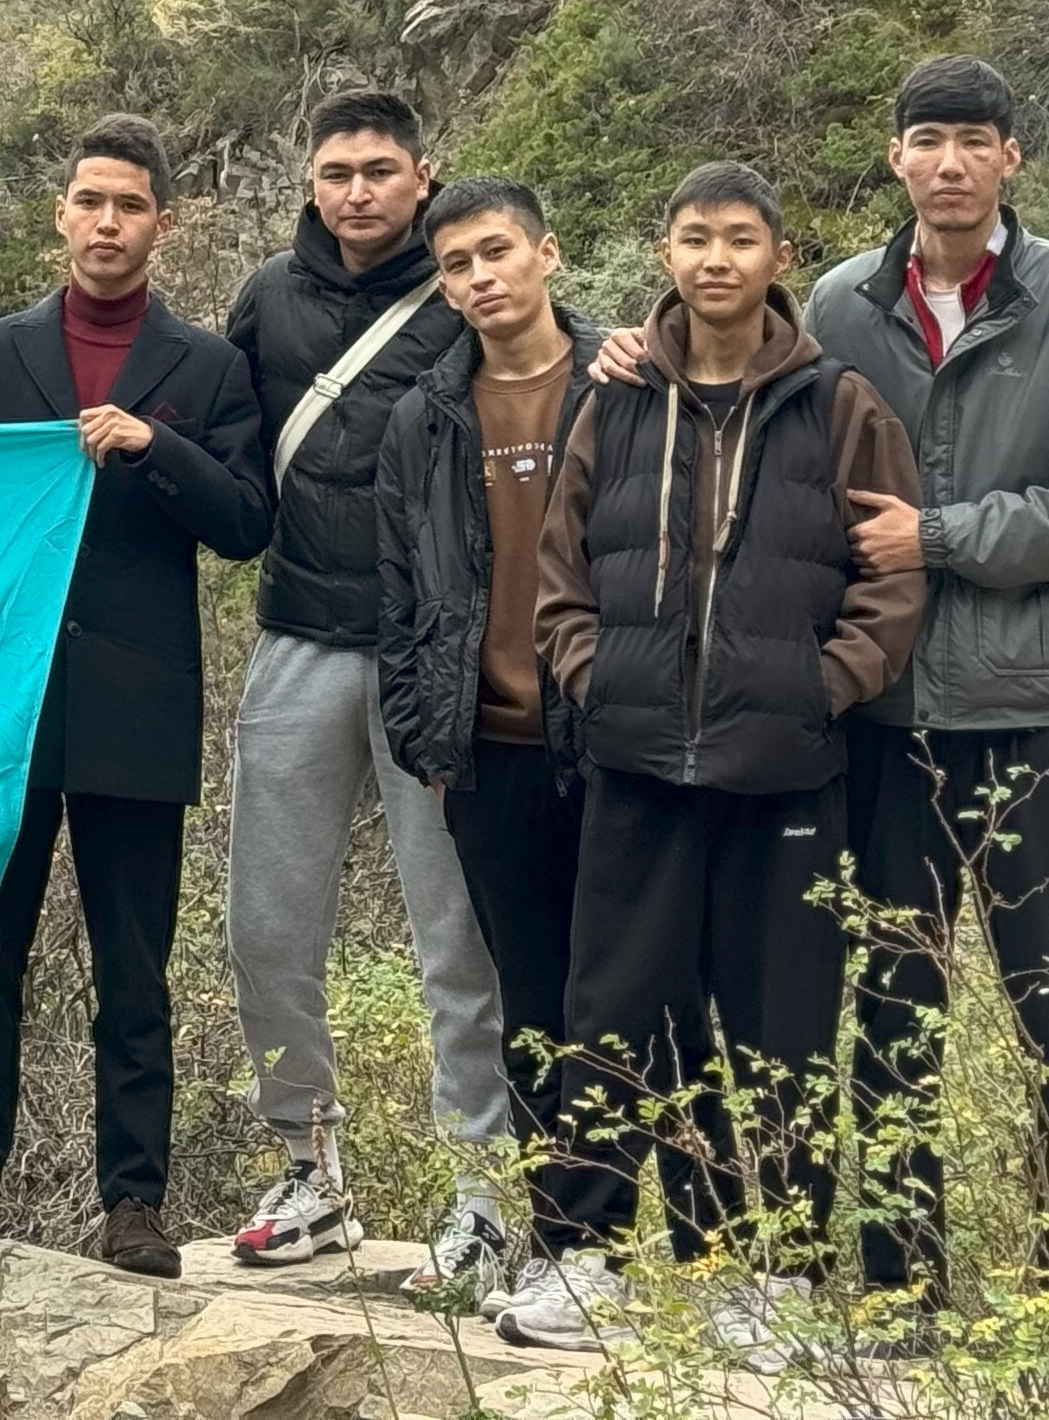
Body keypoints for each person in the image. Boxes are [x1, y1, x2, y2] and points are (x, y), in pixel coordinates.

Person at [500, 164, 924, 1355]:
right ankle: (584, 1264)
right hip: (636, 761)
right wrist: (594, 672)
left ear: (779, 258)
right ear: (666, 253)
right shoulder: (619, 396)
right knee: (609, 1014)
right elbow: (562, 563)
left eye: (741, 239)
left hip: (782, 773)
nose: (718, 259)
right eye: (695, 238)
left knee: (781, 1024)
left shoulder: (839, 403)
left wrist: (820, 688)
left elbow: (892, 581)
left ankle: (779, 1278)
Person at [0, 116, 269, 1280]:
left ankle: (134, 1201)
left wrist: (158, 448)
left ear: (163, 224)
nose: (107, 223)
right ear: (61, 214)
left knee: (132, 962)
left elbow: (246, 523)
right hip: (7, 694)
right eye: (89, 201)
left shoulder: (205, 368)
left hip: (138, 702)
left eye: (130, 206)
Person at [806, 58, 1049, 1304]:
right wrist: (637, 351)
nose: (948, 161)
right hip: (889, 720)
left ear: (1011, 158)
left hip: (1037, 715)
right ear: (894, 157)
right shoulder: (842, 306)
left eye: (972, 140)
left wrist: (941, 535)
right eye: (926, 139)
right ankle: (902, 1290)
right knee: (893, 1014)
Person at [217, 91, 507, 1289]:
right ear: (309, 179)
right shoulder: (267, 302)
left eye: (381, 170)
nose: (357, 192)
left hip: (435, 650)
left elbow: (564, 358)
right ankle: (309, 1169)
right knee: (268, 923)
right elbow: (214, 433)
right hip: (299, 638)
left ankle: (487, 1194)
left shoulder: (466, 285)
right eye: (336, 172)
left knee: (456, 932)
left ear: (422, 173)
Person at [373, 178, 617, 1331]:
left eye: (497, 252)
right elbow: (401, 589)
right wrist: (425, 730)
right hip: (490, 746)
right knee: (527, 999)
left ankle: (647, 1241)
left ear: (547, 253)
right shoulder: (427, 413)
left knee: (623, 987)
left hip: (615, 740)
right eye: (458, 263)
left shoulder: (625, 384)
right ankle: (565, 1243)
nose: (480, 278)